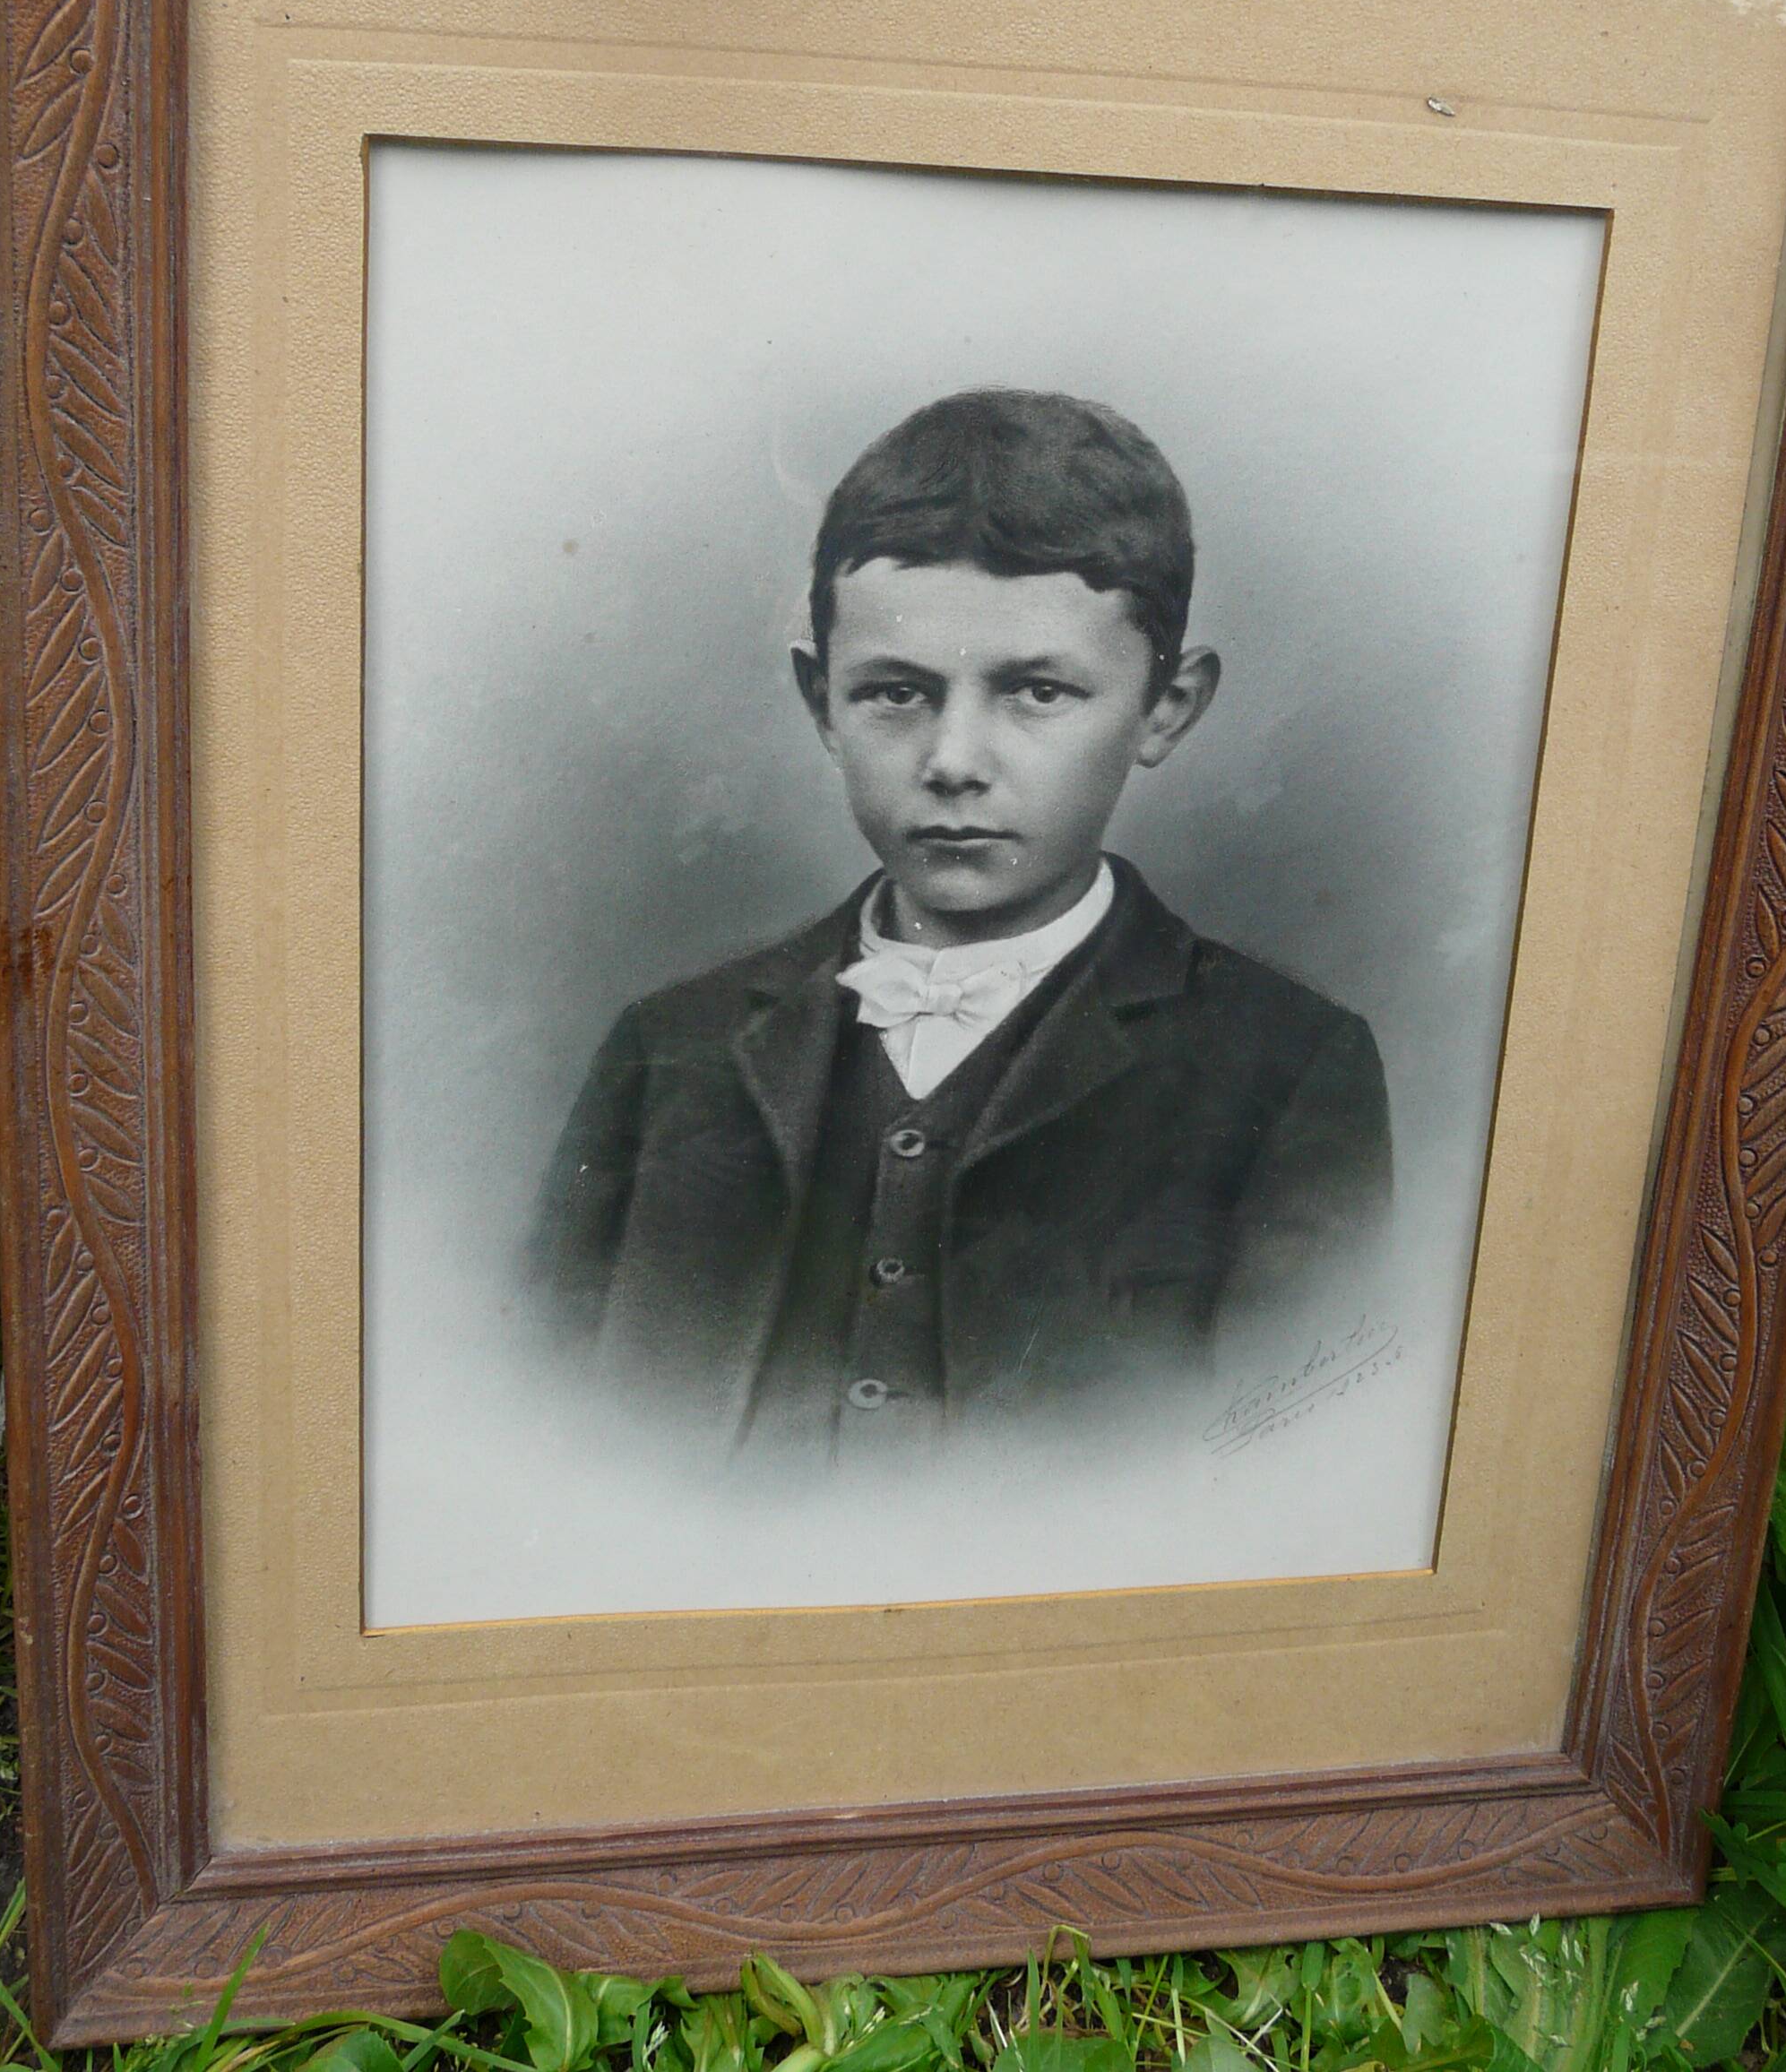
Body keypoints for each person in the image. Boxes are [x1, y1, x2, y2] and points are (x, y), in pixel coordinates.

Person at [534, 388, 1392, 1443]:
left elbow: (1296, 1470)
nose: (952, 764)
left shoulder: (1289, 1071)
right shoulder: (671, 1051)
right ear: (821, 705)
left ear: (1165, 710)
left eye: (1038, 692)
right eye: (895, 693)